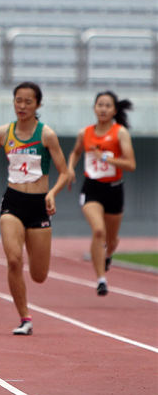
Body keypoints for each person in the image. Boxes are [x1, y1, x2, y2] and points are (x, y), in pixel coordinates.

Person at [0, 82, 69, 335]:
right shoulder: (3, 133)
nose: (22, 106)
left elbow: (65, 172)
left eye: (28, 101)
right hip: (13, 202)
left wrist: (52, 192)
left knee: (39, 275)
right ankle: (24, 317)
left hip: (39, 206)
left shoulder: (46, 135)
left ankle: (27, 308)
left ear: (37, 105)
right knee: (14, 261)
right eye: (18, 100)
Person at [67, 91, 135, 296]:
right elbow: (76, 152)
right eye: (100, 105)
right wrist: (70, 168)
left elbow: (130, 164)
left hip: (114, 189)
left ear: (114, 110)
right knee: (98, 231)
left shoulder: (120, 132)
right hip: (92, 188)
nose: (103, 109)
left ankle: (108, 255)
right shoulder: (85, 133)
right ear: (94, 108)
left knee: (112, 240)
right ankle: (101, 279)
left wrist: (105, 159)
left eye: (108, 106)